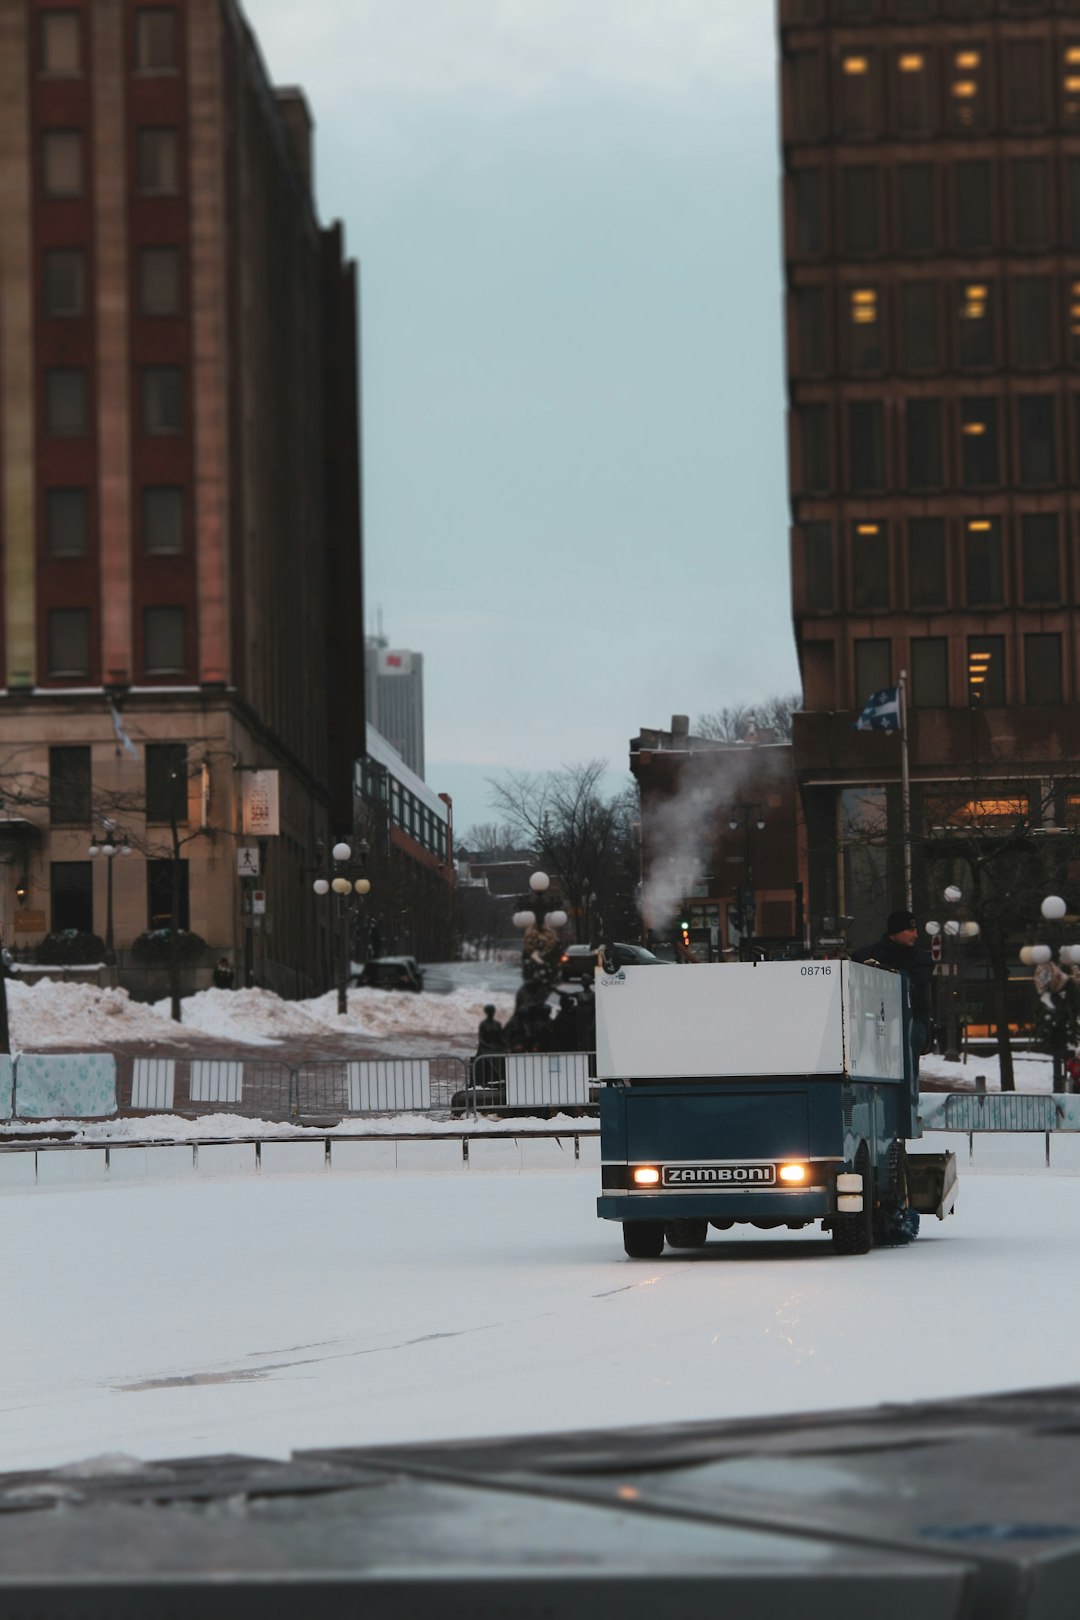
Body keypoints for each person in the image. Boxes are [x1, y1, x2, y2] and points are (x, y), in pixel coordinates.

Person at [851, 908, 933, 1075]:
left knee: (910, 1039)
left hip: (911, 1019)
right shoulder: (864, 955)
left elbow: (914, 987)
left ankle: (908, 1095)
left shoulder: (921, 959)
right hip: (872, 1018)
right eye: (910, 930)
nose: (915, 935)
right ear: (895, 932)